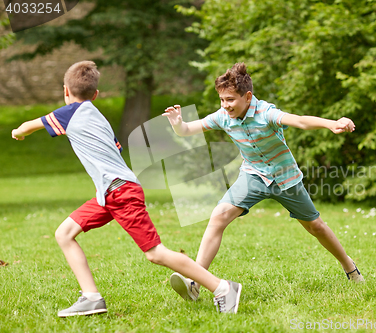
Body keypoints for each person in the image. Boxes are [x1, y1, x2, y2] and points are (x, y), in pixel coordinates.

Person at [11, 61, 242, 316]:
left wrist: (17, 132)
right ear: (96, 95)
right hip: (109, 193)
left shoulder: (70, 113)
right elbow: (116, 149)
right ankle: (91, 298)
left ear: (66, 91)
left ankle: (222, 288)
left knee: (155, 253)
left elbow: (31, 125)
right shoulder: (99, 117)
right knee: (64, 233)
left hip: (120, 192)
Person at [163, 62, 364, 302]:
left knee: (316, 227)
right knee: (218, 216)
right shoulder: (223, 117)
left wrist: (332, 123)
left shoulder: (266, 113)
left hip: (285, 178)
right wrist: (177, 122)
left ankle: (349, 266)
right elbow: (186, 130)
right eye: (221, 100)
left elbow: (299, 121)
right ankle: (195, 282)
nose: (225, 105)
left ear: (247, 97)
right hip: (253, 175)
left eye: (230, 100)